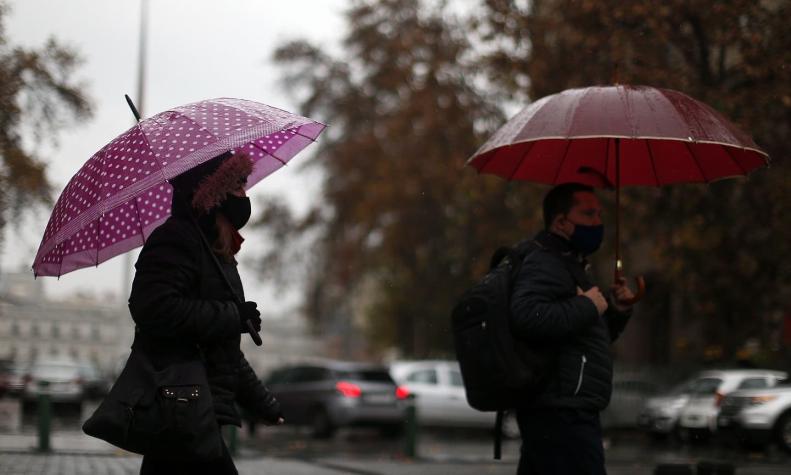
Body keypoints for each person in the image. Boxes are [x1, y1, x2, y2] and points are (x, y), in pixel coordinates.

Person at [128, 151, 283, 474]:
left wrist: (262, 403)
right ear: (213, 194)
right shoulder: (176, 240)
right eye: (238, 187)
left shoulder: (214, 250)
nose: (245, 196)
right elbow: (152, 308)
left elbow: (222, 351)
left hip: (197, 410)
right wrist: (231, 316)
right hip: (182, 405)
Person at [510, 182, 635, 475]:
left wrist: (616, 310)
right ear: (561, 222)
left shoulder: (570, 265)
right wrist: (588, 306)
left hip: (563, 406)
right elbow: (527, 316)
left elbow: (585, 339)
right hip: (561, 411)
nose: (598, 222)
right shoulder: (546, 261)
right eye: (589, 214)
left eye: (600, 214)